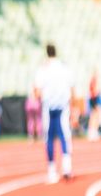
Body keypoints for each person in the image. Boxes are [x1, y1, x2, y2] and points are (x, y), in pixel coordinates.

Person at [32, 43, 75, 184]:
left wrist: (45, 97)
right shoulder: (64, 67)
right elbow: (72, 88)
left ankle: (52, 171)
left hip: (48, 107)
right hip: (63, 106)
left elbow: (37, 92)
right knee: (64, 136)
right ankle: (67, 168)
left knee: (49, 138)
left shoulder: (43, 69)